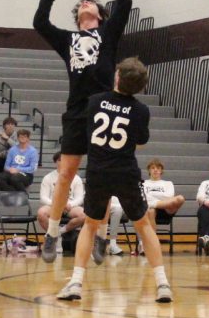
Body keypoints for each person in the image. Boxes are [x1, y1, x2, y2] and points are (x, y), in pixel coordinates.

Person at [34, 0, 132, 262]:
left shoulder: (108, 33)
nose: (87, 2)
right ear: (79, 16)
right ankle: (51, 234)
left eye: (92, 1)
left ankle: (101, 235)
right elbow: (39, 23)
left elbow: (126, 2)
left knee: (102, 176)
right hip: (77, 110)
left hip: (104, 109)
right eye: (83, 2)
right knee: (66, 173)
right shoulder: (68, 39)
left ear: (100, 14)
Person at [57, 58, 171, 303]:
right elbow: (140, 142)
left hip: (98, 171)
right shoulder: (141, 110)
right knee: (142, 225)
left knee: (90, 225)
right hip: (125, 172)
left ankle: (76, 282)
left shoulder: (95, 101)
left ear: (117, 76)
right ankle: (162, 284)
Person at [37, 153, 85, 247]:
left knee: (84, 214)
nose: (62, 162)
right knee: (41, 213)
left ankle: (59, 232)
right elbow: (43, 198)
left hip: (69, 206)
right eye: (59, 160)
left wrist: (70, 204)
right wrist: (57, 204)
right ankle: (54, 236)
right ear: (55, 162)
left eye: (64, 160)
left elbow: (80, 198)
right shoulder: (48, 178)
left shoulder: (76, 178)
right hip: (53, 205)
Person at [142, 159, 186, 254]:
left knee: (180, 198)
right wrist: (160, 198)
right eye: (153, 168)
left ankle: (153, 204)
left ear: (161, 170)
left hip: (167, 209)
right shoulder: (144, 183)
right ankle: (153, 243)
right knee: (150, 210)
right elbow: (144, 197)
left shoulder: (168, 183)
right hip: (150, 211)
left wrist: (153, 199)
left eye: (158, 168)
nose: (155, 170)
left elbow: (169, 196)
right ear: (149, 170)